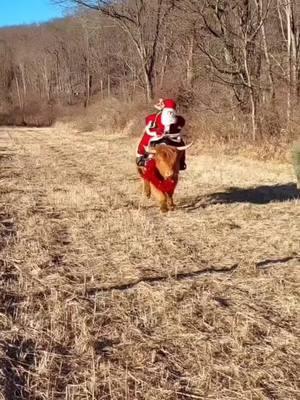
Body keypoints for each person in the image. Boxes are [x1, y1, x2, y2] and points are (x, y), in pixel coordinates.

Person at [136, 98, 187, 170]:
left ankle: (140, 156)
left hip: (158, 136)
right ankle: (182, 162)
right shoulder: (180, 119)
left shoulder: (154, 117)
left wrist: (160, 110)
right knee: (181, 144)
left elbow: (148, 120)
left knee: (146, 138)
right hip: (172, 138)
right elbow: (181, 124)